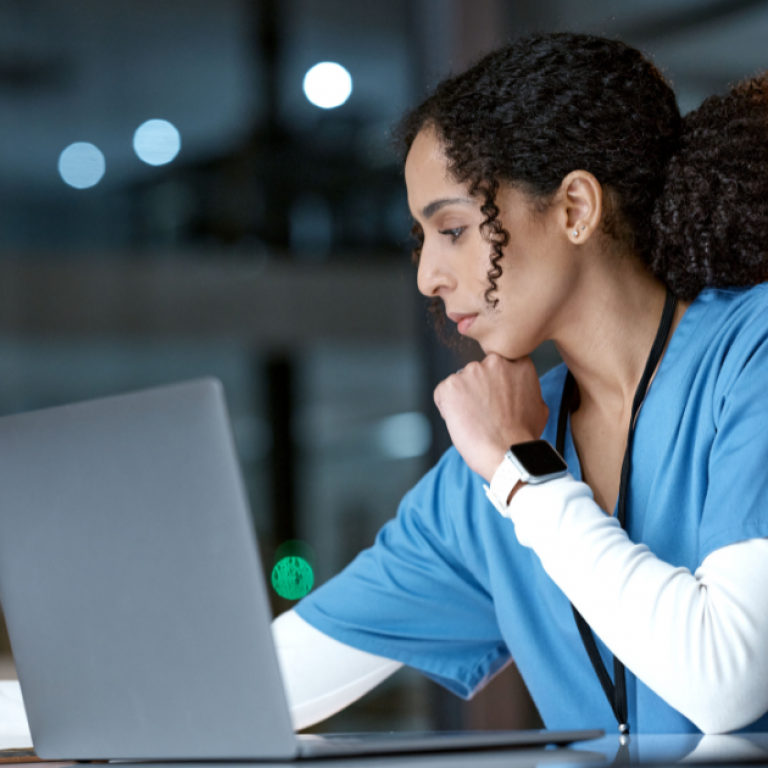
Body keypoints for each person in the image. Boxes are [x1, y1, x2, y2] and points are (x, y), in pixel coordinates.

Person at [273, 33, 768, 735]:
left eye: (452, 228)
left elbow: (725, 681)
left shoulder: (752, 354)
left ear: (574, 209)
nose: (428, 277)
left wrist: (523, 472)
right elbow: (266, 688)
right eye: (422, 240)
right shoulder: (478, 484)